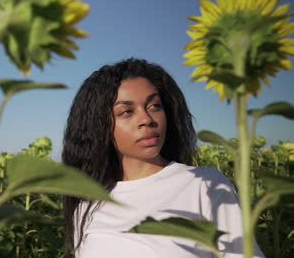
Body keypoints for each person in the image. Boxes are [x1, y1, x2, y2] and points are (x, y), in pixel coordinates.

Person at [62, 58, 265, 258]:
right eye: (126, 112)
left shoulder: (204, 185)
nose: (147, 120)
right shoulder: (88, 205)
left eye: (154, 106)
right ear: (99, 126)